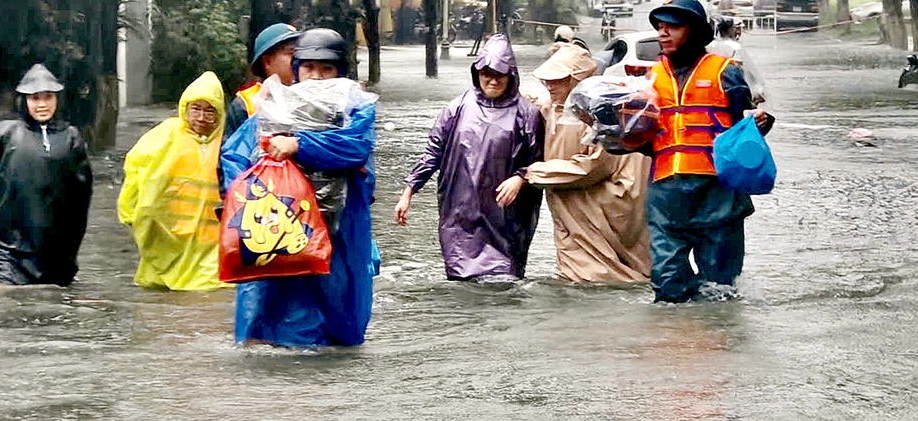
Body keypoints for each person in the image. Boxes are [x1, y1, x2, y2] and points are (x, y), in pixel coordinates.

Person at [221, 28, 377, 347]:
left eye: (326, 68)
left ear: (341, 71)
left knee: (337, 313)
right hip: (278, 227)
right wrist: (241, 204)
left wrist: (298, 144)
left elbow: (355, 146)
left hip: (338, 230)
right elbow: (235, 156)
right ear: (296, 69)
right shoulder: (273, 107)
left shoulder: (355, 109)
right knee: (266, 308)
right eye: (308, 67)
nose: (317, 77)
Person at [643, 0, 773, 303]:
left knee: (719, 290)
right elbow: (639, 138)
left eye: (672, 27)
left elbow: (745, 131)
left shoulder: (725, 72)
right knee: (666, 286)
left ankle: (716, 345)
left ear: (696, 31)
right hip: (666, 196)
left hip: (716, 194)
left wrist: (760, 126)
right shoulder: (650, 79)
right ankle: (674, 345)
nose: (663, 34)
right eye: (660, 27)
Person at [395, 33, 544, 281]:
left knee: (503, 283)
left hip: (506, 218)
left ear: (511, 75)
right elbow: (433, 152)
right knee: (462, 284)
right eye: (487, 73)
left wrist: (521, 178)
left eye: (500, 74)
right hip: (460, 213)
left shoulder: (527, 114)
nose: (493, 80)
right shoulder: (456, 109)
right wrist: (409, 190)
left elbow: (539, 160)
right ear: (477, 74)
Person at [523, 44, 651, 283]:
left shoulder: (601, 111)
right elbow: (539, 106)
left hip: (604, 203)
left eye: (557, 80)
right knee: (580, 267)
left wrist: (531, 173)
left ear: (576, 80)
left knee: (599, 272)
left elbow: (592, 166)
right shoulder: (555, 107)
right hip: (575, 203)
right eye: (547, 80)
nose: (550, 86)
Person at [0, 64, 93, 286]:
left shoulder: (71, 138)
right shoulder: (4, 134)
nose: (42, 104)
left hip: (56, 253)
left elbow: (81, 198)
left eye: (48, 97)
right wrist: (2, 222)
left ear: (57, 99)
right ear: (24, 101)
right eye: (35, 98)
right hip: (10, 250)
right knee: (3, 301)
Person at [117, 72, 227, 291]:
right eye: (196, 109)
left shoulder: (227, 142)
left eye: (210, 111)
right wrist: (129, 212)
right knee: (164, 289)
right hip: (170, 236)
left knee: (208, 293)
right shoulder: (165, 135)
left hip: (210, 243)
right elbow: (136, 170)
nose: (202, 117)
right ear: (185, 108)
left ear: (220, 114)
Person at [223, 23, 301, 141]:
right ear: (267, 61)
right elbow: (232, 153)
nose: (299, 59)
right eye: (292, 53)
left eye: (301, 53)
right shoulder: (245, 104)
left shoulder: (311, 96)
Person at [707, 17, 767, 104]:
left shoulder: (711, 46)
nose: (738, 32)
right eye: (736, 29)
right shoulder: (735, 47)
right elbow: (741, 68)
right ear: (731, 30)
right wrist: (756, 89)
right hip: (734, 87)